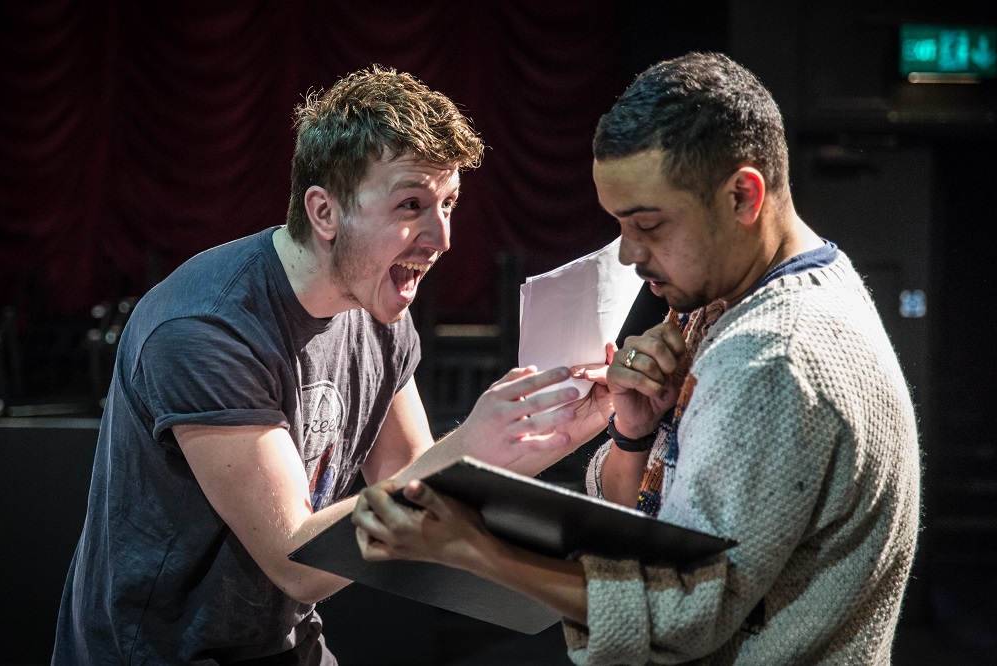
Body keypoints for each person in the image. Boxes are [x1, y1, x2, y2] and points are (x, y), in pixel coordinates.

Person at [352, 52, 921, 665]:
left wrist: (472, 549)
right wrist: (634, 435)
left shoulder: (771, 355)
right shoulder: (755, 293)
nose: (628, 254)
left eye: (648, 225)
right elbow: (659, 523)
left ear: (743, 196)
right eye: (621, 225)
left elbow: (679, 617)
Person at [53, 66, 608, 665]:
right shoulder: (207, 329)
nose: (441, 236)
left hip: (282, 642)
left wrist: (551, 433)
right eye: (412, 204)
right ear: (324, 212)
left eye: (448, 203)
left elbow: (413, 490)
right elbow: (297, 561)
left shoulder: (380, 313)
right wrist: (471, 445)